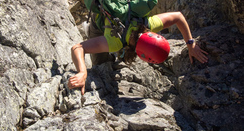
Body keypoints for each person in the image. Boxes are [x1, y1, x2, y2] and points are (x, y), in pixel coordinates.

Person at [68, 10, 208, 95]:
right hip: (100, 20)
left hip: (120, 22)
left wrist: (191, 43)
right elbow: (77, 47)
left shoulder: (149, 24)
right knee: (101, 63)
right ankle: (90, 32)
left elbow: (178, 16)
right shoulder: (115, 42)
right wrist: (82, 72)